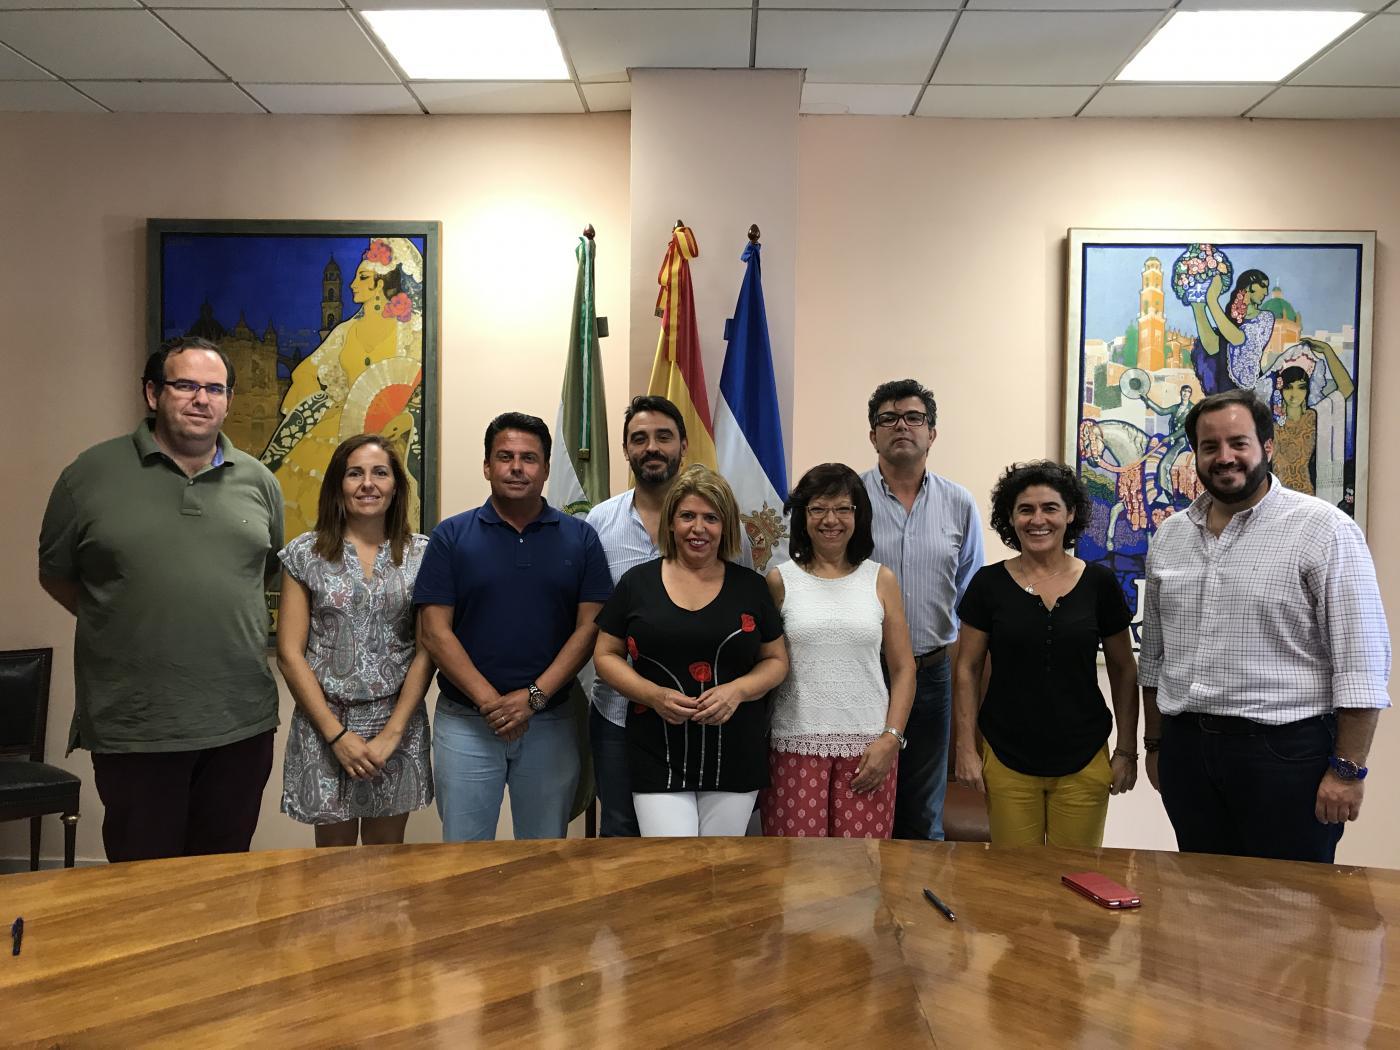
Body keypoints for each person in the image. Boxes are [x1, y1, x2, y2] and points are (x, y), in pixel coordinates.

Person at [38, 337, 283, 862]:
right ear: (153, 393)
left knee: (221, 880)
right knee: (143, 887)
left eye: (214, 389)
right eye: (186, 385)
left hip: (239, 723)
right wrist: (123, 617)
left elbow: (264, 570)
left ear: (229, 401)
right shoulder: (90, 475)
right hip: (136, 725)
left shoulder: (259, 482)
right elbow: (56, 574)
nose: (202, 399)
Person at [1139, 389, 1391, 863]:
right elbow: (1153, 657)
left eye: (1239, 442)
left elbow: (1361, 663)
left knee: (1288, 909)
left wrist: (1348, 770)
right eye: (1210, 447)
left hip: (1285, 756)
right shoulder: (1171, 535)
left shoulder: (1323, 529)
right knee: (1199, 902)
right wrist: (1155, 745)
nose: (1224, 457)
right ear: (1195, 454)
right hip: (1188, 751)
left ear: (1268, 447)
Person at [414, 412, 612, 841]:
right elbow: (434, 632)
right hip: (467, 723)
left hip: (551, 723)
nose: (517, 467)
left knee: (543, 860)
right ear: (487, 466)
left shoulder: (581, 538)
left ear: (545, 468)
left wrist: (533, 699)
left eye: (529, 458)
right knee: (464, 859)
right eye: (505, 457)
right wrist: (493, 703)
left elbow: (590, 628)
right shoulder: (450, 536)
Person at [952, 461, 1139, 848]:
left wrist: (1126, 750)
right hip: (1006, 758)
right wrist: (966, 748)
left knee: (1078, 880)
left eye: (1050, 508)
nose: (1038, 519)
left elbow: (1123, 668)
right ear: (1011, 518)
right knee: (1017, 886)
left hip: (1084, 758)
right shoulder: (988, 584)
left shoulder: (1099, 584)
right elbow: (967, 669)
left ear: (1070, 514)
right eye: (1026, 509)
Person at [594, 465, 788, 837]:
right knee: (672, 868)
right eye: (687, 516)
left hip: (733, 749)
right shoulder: (637, 583)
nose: (698, 528)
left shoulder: (752, 587)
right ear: (671, 523)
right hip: (657, 747)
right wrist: (651, 695)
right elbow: (605, 655)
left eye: (710, 518)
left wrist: (739, 690)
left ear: (725, 526)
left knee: (723, 868)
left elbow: (777, 661)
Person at [276, 434, 435, 846]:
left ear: (396, 485)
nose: (368, 483)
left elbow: (426, 649)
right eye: (355, 473)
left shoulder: (423, 555)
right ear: (338, 485)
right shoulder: (305, 554)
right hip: (325, 726)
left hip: (395, 726)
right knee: (332, 871)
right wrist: (336, 736)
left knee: (387, 866)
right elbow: (290, 655)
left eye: (380, 472)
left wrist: (392, 735)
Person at [760, 463, 915, 839]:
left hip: (869, 749)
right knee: (796, 874)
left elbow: (904, 669)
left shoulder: (881, 579)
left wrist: (891, 740)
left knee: (860, 874)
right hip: (794, 744)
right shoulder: (780, 580)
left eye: (843, 509)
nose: (832, 520)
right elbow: (767, 662)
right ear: (803, 517)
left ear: (858, 516)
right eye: (818, 509)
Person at [861, 379, 985, 841]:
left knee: (922, 807)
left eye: (914, 418)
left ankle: (917, 907)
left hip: (932, 672)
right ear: (872, 435)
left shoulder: (959, 503)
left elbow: (970, 593)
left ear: (932, 433)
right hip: (863, 670)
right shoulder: (848, 500)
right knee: (864, 798)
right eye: (888, 419)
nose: (902, 427)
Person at [262, 236, 425, 541]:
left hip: (392, 434)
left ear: (379, 284)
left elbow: (422, 386)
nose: (352, 285)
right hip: (338, 425)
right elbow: (305, 372)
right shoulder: (345, 331)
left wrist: (404, 418)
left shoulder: (413, 329)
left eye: (362, 277)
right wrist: (330, 400)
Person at [582, 395, 689, 837]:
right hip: (617, 713)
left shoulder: (712, 520)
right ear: (626, 450)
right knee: (620, 831)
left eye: (664, 437)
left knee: (691, 840)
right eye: (639, 439)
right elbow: (587, 618)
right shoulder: (598, 523)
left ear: (683, 444)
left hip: (694, 708)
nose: (652, 448)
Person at [1189, 267, 1273, 397]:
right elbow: (1212, 348)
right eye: (1263, 286)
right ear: (1250, 286)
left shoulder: (1265, 318)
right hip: (1224, 388)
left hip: (1248, 392)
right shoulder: (1229, 320)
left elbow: (1238, 339)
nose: (1266, 292)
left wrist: (1212, 300)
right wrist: (1198, 308)